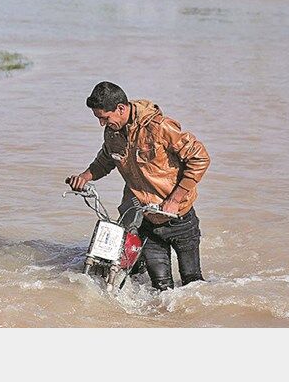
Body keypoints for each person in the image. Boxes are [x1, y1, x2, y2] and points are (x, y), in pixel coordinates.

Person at [66, 82, 211, 291]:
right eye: (98, 118)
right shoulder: (112, 132)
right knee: (161, 289)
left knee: (193, 284)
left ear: (121, 108)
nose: (102, 124)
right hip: (148, 222)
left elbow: (200, 158)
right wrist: (84, 177)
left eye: (105, 118)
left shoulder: (160, 127)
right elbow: (106, 159)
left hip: (179, 218)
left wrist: (175, 199)